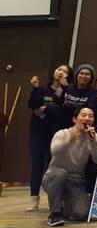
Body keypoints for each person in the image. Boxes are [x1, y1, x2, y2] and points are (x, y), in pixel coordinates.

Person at [42, 106, 97, 226]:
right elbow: (55, 151)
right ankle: (54, 214)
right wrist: (74, 134)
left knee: (82, 214)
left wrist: (92, 141)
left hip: (76, 181)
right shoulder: (62, 134)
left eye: (91, 116)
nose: (87, 118)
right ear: (75, 119)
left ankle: (64, 206)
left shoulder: (95, 137)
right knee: (60, 173)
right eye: (83, 115)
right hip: (54, 177)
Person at [27, 64, 72, 211]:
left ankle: (53, 199)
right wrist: (35, 88)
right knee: (37, 165)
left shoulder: (68, 90)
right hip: (38, 132)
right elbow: (33, 107)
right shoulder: (42, 89)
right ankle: (34, 198)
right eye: (59, 69)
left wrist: (46, 107)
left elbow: (61, 108)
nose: (61, 72)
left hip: (56, 133)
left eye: (65, 71)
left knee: (53, 166)